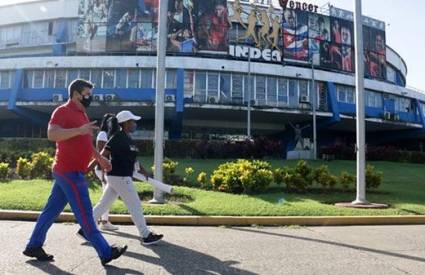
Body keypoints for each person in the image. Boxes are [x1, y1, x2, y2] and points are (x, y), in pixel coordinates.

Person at [23, 79, 127, 266]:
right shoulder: (62, 111)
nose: (90, 97)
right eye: (87, 93)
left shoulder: (83, 114)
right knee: (86, 215)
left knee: (50, 211)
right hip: (68, 171)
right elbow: (52, 134)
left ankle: (33, 245)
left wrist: (100, 158)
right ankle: (105, 252)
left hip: (73, 171)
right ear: (76, 94)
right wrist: (78, 130)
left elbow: (86, 144)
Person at [80, 110, 163, 245]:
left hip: (118, 177)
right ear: (124, 123)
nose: (134, 124)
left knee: (103, 205)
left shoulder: (128, 139)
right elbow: (102, 155)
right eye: (132, 121)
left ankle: (84, 230)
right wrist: (86, 170)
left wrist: (144, 172)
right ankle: (146, 235)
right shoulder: (117, 137)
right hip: (120, 176)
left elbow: (134, 160)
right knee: (135, 204)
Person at [94, 113, 119, 231]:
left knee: (107, 196)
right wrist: (104, 172)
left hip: (106, 169)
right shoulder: (103, 134)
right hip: (102, 169)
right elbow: (102, 154)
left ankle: (104, 221)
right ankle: (102, 222)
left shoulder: (108, 134)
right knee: (106, 197)